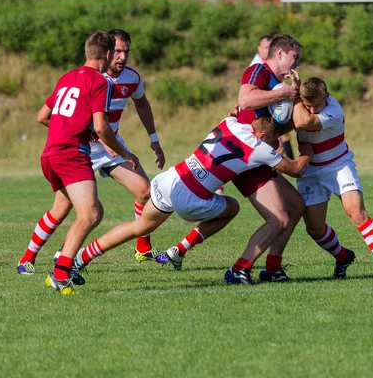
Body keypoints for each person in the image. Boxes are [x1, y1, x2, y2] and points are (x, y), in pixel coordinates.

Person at [71, 116, 312, 279]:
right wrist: (308, 149)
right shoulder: (261, 148)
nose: (277, 146)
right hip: (191, 197)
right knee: (233, 207)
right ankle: (191, 249)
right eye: (274, 141)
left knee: (139, 227)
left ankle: (81, 258)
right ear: (261, 136)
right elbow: (296, 170)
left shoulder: (229, 122)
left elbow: (234, 115)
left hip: (170, 179)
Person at [16, 29, 165, 279]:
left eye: (126, 51)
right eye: (117, 51)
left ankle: (141, 248)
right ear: (107, 53)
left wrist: (153, 139)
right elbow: (96, 125)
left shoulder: (128, 78)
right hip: (86, 146)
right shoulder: (97, 80)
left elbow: (141, 104)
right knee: (68, 209)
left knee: (144, 190)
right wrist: (100, 138)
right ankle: (33, 258)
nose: (122, 56)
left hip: (105, 146)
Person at [37, 31, 139, 295]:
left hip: (49, 155)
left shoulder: (66, 77)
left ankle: (57, 265)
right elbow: (102, 127)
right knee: (90, 214)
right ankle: (61, 273)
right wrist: (125, 154)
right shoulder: (99, 82)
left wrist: (77, 129)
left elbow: (42, 116)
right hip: (71, 154)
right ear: (107, 55)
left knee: (86, 210)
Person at [293, 77, 373, 282]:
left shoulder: (334, 111)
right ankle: (343, 257)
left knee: (357, 213)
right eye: (308, 105)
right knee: (314, 228)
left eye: (316, 105)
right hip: (311, 172)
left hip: (338, 166)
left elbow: (302, 122)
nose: (313, 110)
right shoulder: (299, 104)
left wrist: (297, 99)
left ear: (327, 96)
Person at [223, 34, 304, 285]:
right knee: (279, 218)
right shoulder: (258, 70)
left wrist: (297, 97)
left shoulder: (278, 84)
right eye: (295, 57)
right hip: (244, 154)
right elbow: (245, 99)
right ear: (279, 54)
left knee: (296, 205)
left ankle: (272, 268)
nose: (297, 63)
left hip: (259, 154)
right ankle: (239, 269)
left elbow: (278, 128)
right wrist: (283, 96)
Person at [249, 34, 295, 161]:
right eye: (265, 47)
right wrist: (281, 95)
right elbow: (248, 98)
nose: (267, 50)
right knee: (279, 139)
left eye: (270, 47)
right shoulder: (257, 66)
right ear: (259, 48)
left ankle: (289, 161)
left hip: (271, 110)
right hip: (263, 116)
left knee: (284, 136)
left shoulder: (270, 66)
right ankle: (290, 162)